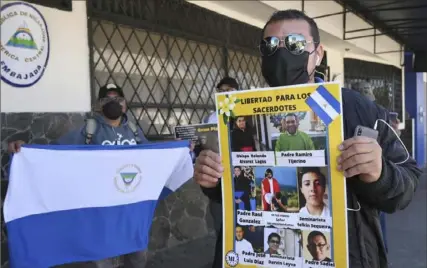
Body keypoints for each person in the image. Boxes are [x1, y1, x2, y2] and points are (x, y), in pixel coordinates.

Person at [194, 9, 421, 268]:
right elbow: (234, 188)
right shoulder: (239, 114)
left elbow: (408, 179)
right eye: (270, 45)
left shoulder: (357, 109)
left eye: (295, 43)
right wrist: (212, 180)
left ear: (319, 53)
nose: (281, 52)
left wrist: (380, 174)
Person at [7, 83, 149, 268]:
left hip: (132, 207)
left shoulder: (133, 129)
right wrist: (25, 150)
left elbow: (153, 153)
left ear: (125, 104)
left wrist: (180, 147)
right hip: (100, 209)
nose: (113, 103)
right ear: (99, 105)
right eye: (107, 99)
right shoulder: (89, 130)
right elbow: (54, 153)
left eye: (118, 99)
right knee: (100, 258)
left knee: (137, 256)